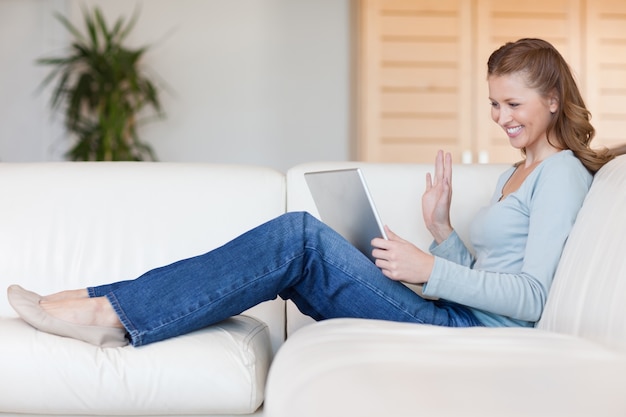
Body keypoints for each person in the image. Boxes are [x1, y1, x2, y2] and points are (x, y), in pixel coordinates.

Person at [7, 38, 613, 348]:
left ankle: (108, 311)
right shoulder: (517, 173)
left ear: (553, 99)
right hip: (454, 313)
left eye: (513, 104)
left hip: (471, 333)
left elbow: (530, 300)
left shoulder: (560, 171)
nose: (501, 118)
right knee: (295, 249)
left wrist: (430, 266)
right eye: (493, 104)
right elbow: (489, 273)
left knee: (298, 236)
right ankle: (101, 300)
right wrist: (443, 232)